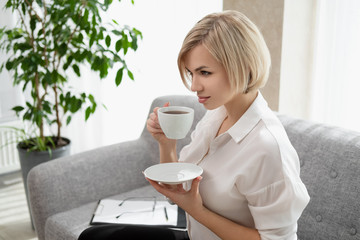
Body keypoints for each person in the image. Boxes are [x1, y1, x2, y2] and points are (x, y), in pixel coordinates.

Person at [79, 10, 309, 240]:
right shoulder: (216, 116)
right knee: (95, 236)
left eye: (205, 73)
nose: (194, 86)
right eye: (191, 73)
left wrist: (196, 210)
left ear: (244, 67)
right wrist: (167, 145)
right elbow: (178, 193)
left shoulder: (267, 148)